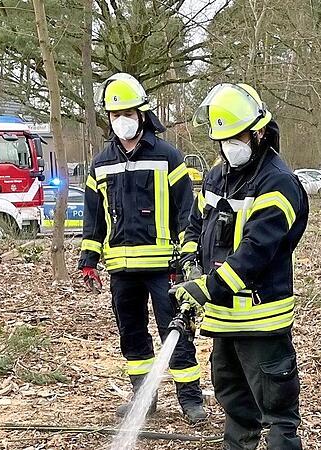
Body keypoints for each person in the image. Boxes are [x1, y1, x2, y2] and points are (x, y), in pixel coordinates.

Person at [173, 83, 308, 449]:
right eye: (224, 140)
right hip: (223, 322)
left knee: (278, 419)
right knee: (237, 411)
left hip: (263, 322)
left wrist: (206, 287)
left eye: (237, 137)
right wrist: (189, 261)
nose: (230, 146)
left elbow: (255, 253)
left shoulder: (278, 182)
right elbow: (196, 225)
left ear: (258, 131)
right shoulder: (218, 176)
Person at [78, 73, 206, 423]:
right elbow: (94, 216)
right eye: (115, 115)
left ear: (143, 113)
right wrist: (88, 258)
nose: (122, 121)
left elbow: (186, 212)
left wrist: (189, 257)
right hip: (121, 269)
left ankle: (190, 400)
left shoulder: (168, 157)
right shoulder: (101, 162)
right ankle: (143, 398)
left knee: (176, 333)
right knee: (132, 338)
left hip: (166, 266)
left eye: (128, 113)